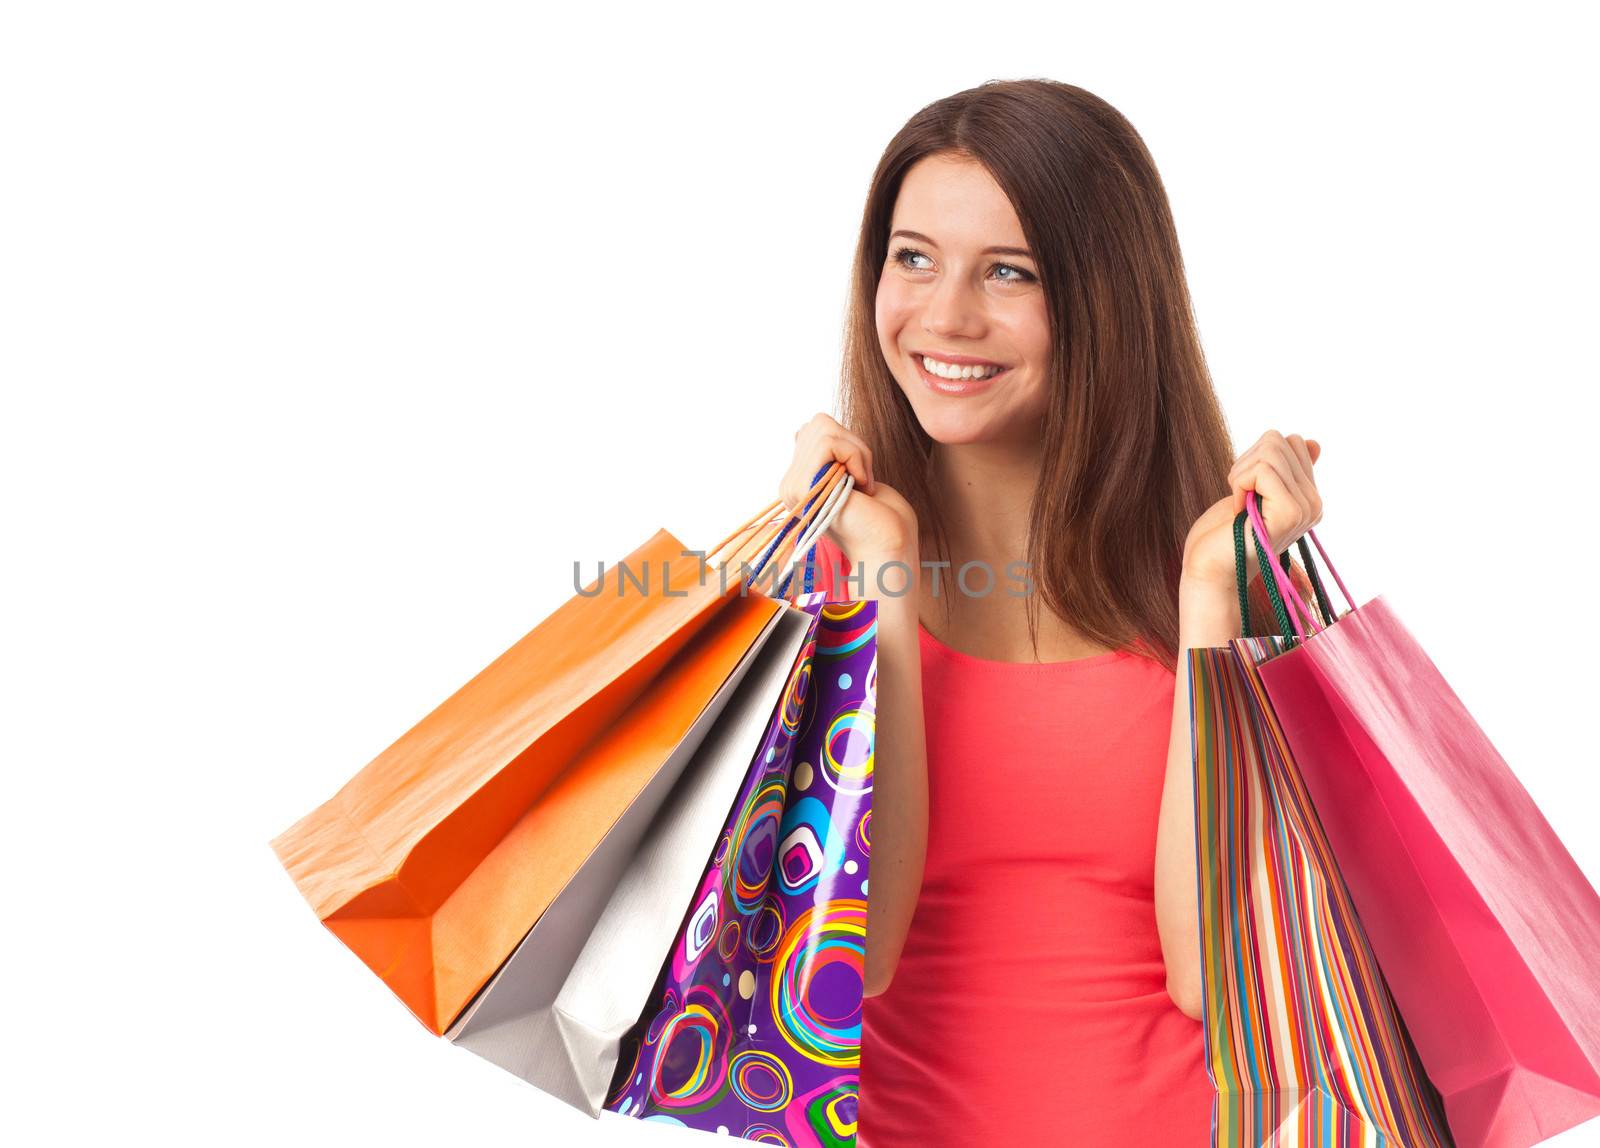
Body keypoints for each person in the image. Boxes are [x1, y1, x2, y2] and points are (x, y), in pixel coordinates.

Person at [774, 79, 1325, 1147]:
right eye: (914, 256)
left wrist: (1211, 597)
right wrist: (882, 582)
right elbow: (856, 958)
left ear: (1104, 297)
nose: (943, 316)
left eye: (1009, 272)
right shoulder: (826, 589)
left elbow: (1218, 981)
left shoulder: (1226, 588)